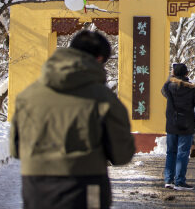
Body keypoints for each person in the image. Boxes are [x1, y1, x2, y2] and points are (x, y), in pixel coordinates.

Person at [10, 30, 135, 209]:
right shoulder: (104, 99)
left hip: (36, 187)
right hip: (86, 186)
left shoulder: (28, 96)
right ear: (99, 59)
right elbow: (122, 154)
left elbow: (16, 149)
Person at [161, 62, 195, 190]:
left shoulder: (168, 87)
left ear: (173, 73)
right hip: (186, 125)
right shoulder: (193, 89)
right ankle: (180, 181)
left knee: (171, 152)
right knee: (182, 153)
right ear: (187, 74)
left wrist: (171, 76)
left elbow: (163, 89)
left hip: (172, 124)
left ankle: (169, 180)